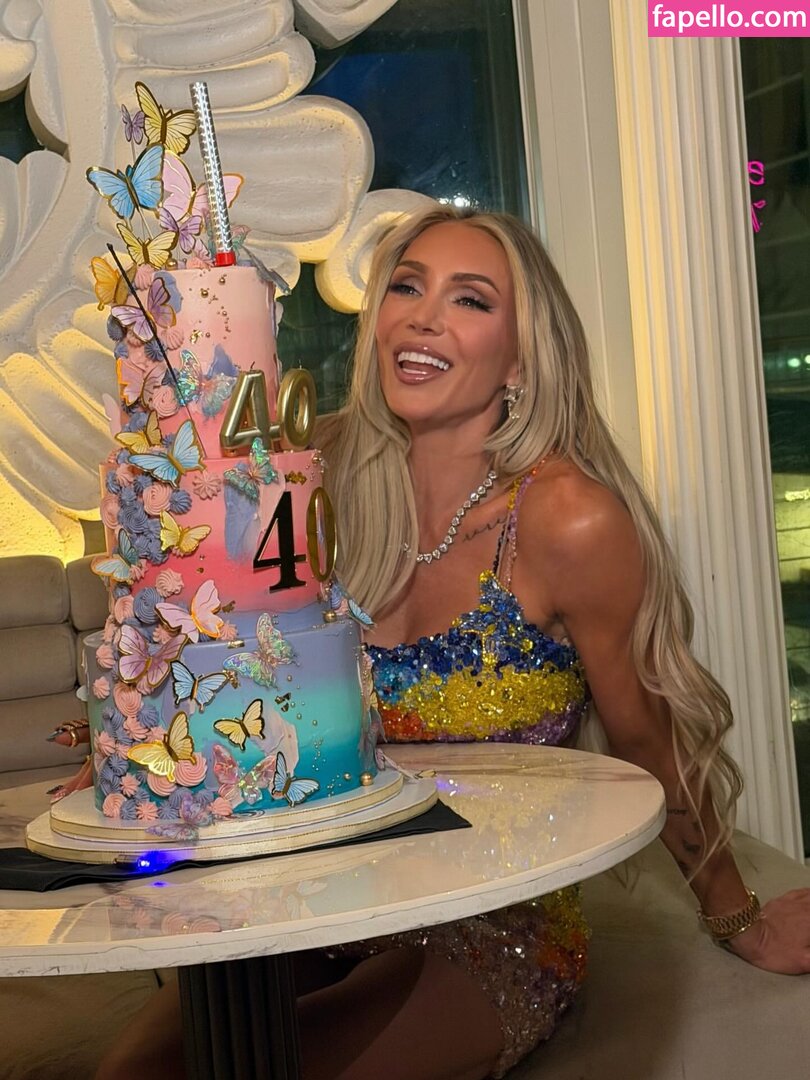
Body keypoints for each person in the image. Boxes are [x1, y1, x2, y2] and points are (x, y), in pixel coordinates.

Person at [95, 206, 809, 1080]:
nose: (424, 318)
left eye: (470, 300)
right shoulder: (311, 481)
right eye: (407, 287)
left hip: (489, 922)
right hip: (315, 899)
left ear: (522, 358)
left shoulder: (568, 519)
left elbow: (647, 739)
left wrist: (740, 918)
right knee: (132, 1074)